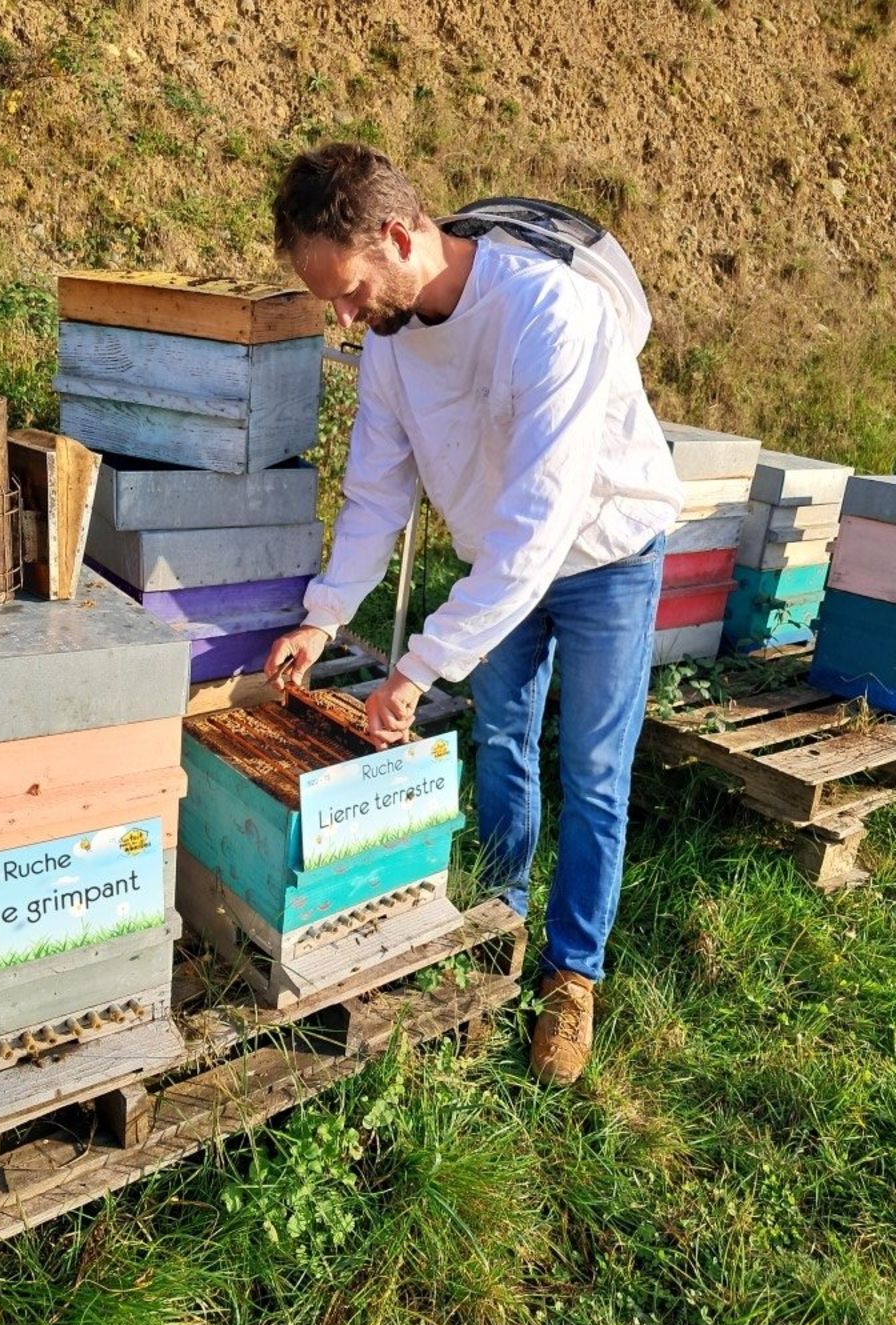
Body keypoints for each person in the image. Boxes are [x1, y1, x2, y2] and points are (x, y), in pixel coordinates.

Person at [264, 142, 683, 1083]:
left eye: (346, 290)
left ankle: (572, 976)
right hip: (496, 564)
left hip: (602, 551)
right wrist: (325, 616)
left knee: (595, 769)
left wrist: (417, 665)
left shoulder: (547, 312)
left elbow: (540, 526)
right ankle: (497, 918)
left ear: (399, 236)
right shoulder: (389, 346)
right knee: (500, 741)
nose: (341, 318)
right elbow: (376, 493)